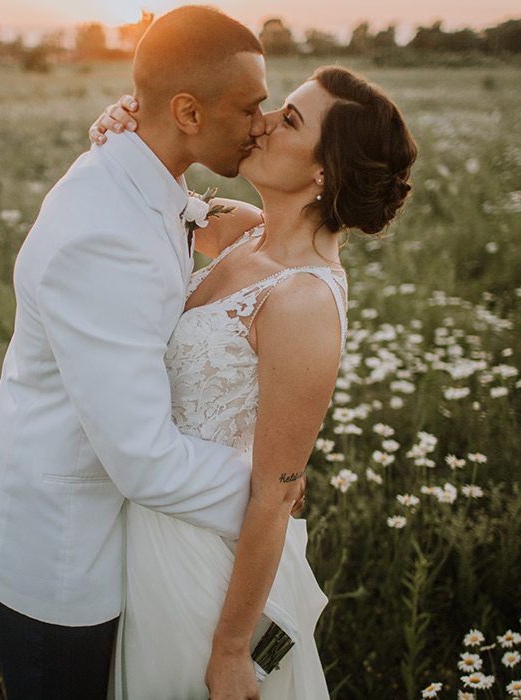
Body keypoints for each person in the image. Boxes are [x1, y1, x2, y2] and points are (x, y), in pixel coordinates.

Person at [0, 7, 288, 699]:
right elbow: (142, 457)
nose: (263, 122)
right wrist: (269, 496)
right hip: (59, 548)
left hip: (115, 524)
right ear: (188, 112)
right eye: (251, 105)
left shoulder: (141, 174)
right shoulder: (104, 234)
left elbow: (263, 238)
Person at [90, 64, 417, 699]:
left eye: (289, 120)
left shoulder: (303, 303)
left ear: (326, 171)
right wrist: (127, 130)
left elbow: (276, 495)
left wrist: (233, 648)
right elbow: (154, 196)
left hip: (206, 567)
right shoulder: (246, 231)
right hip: (148, 525)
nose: (261, 122)